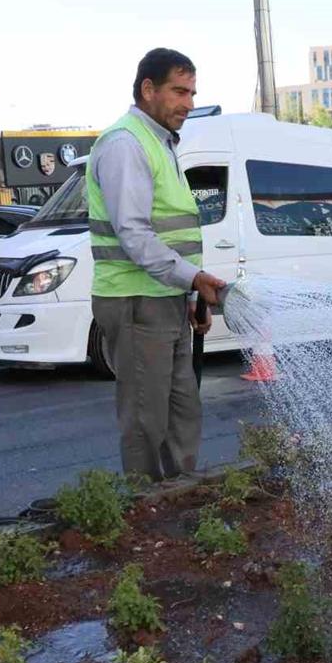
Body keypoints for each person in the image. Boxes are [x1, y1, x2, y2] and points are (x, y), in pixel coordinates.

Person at [86, 48, 227, 480]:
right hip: (135, 301)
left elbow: (170, 233)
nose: (189, 103)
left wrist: (189, 295)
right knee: (147, 420)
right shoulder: (126, 144)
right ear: (148, 89)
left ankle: (181, 499)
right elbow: (134, 235)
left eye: (193, 93)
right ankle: (146, 506)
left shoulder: (160, 142)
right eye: (179, 91)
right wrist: (194, 279)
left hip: (164, 298)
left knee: (182, 413)